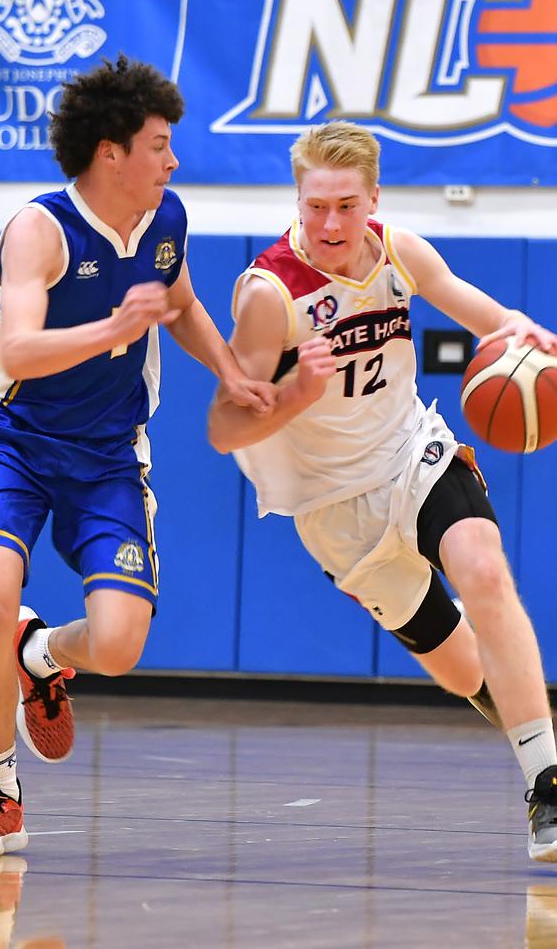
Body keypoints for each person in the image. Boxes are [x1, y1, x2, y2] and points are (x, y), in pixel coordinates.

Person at [0, 54, 273, 857]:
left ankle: (39, 653)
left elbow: (182, 302)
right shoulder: (39, 230)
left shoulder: (166, 222)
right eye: (160, 143)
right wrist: (114, 330)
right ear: (111, 151)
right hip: (16, 444)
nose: (174, 158)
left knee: (119, 646)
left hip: (110, 455)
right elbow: (17, 350)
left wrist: (232, 372)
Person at [207, 120, 557, 863]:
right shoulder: (270, 294)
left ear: (373, 198)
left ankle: (547, 787)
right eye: (315, 207)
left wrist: (525, 336)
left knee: (485, 568)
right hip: (333, 508)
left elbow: (481, 312)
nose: (330, 223)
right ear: (296, 200)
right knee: (464, 670)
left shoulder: (399, 251)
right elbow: (222, 427)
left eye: (345, 205)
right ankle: (530, 719)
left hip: (411, 455)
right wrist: (296, 393)